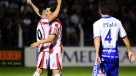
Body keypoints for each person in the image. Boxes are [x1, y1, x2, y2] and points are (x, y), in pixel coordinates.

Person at [92, 0, 135, 76]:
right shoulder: (117, 22)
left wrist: (96, 54)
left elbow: (97, 39)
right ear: (109, 10)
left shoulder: (97, 24)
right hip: (114, 57)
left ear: (99, 11)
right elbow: (124, 37)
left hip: (103, 58)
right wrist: (129, 51)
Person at [27, 0, 62, 76]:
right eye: (45, 12)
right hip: (46, 47)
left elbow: (40, 12)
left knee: (48, 69)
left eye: (47, 11)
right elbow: (54, 15)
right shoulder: (47, 21)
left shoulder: (43, 21)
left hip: (46, 47)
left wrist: (32, 4)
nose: (46, 13)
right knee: (46, 69)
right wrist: (59, 4)